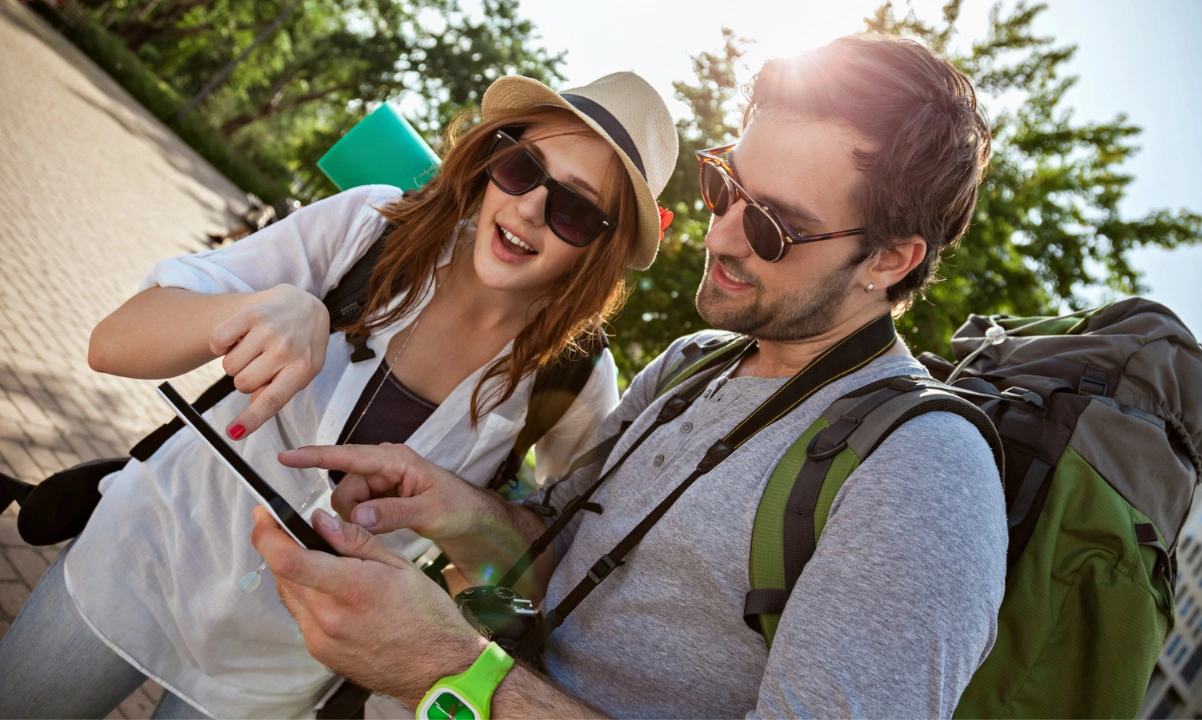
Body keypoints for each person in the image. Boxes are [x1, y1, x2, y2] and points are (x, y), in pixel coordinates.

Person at [250, 32, 1007, 719]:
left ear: (889, 260)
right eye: (723, 187)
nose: (720, 236)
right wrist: (450, 505)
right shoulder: (691, 364)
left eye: (772, 226)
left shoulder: (924, 474)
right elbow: (554, 559)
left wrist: (444, 665)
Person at [0, 71, 678, 718]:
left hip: (279, 671)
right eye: (523, 168)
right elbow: (113, 341)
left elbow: (537, 577)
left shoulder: (575, 381)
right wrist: (270, 305)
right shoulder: (366, 229)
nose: (529, 206)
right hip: (143, 555)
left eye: (575, 210)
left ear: (602, 249)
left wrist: (463, 518)